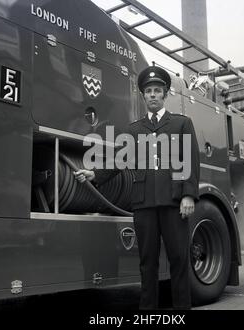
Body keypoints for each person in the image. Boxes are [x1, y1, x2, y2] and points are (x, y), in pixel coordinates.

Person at [74, 65, 200, 310]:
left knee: (179, 260)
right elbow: (120, 160)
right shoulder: (134, 130)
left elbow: (190, 162)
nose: (153, 95)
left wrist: (189, 196)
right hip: (144, 206)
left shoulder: (181, 124)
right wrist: (95, 173)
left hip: (174, 203)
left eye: (157, 91)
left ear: (165, 95)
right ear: (143, 96)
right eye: (149, 91)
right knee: (147, 263)